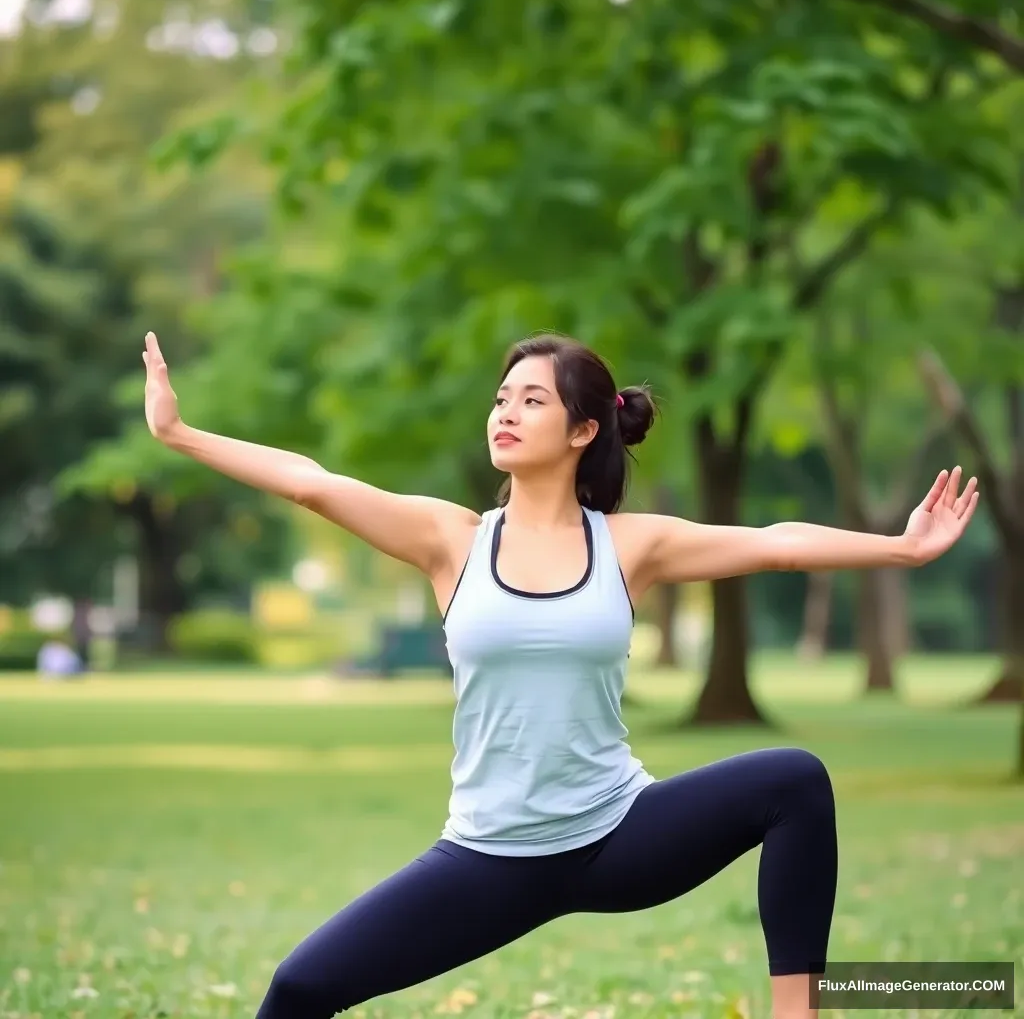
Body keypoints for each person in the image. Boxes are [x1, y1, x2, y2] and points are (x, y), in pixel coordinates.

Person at [141, 330, 978, 1019]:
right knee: (298, 990)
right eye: (502, 398)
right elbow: (311, 483)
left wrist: (900, 548)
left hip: (618, 835)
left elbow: (778, 542)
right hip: (489, 858)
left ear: (584, 430)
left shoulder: (631, 546)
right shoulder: (453, 540)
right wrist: (181, 435)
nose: (506, 413)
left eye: (532, 399)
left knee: (793, 779)